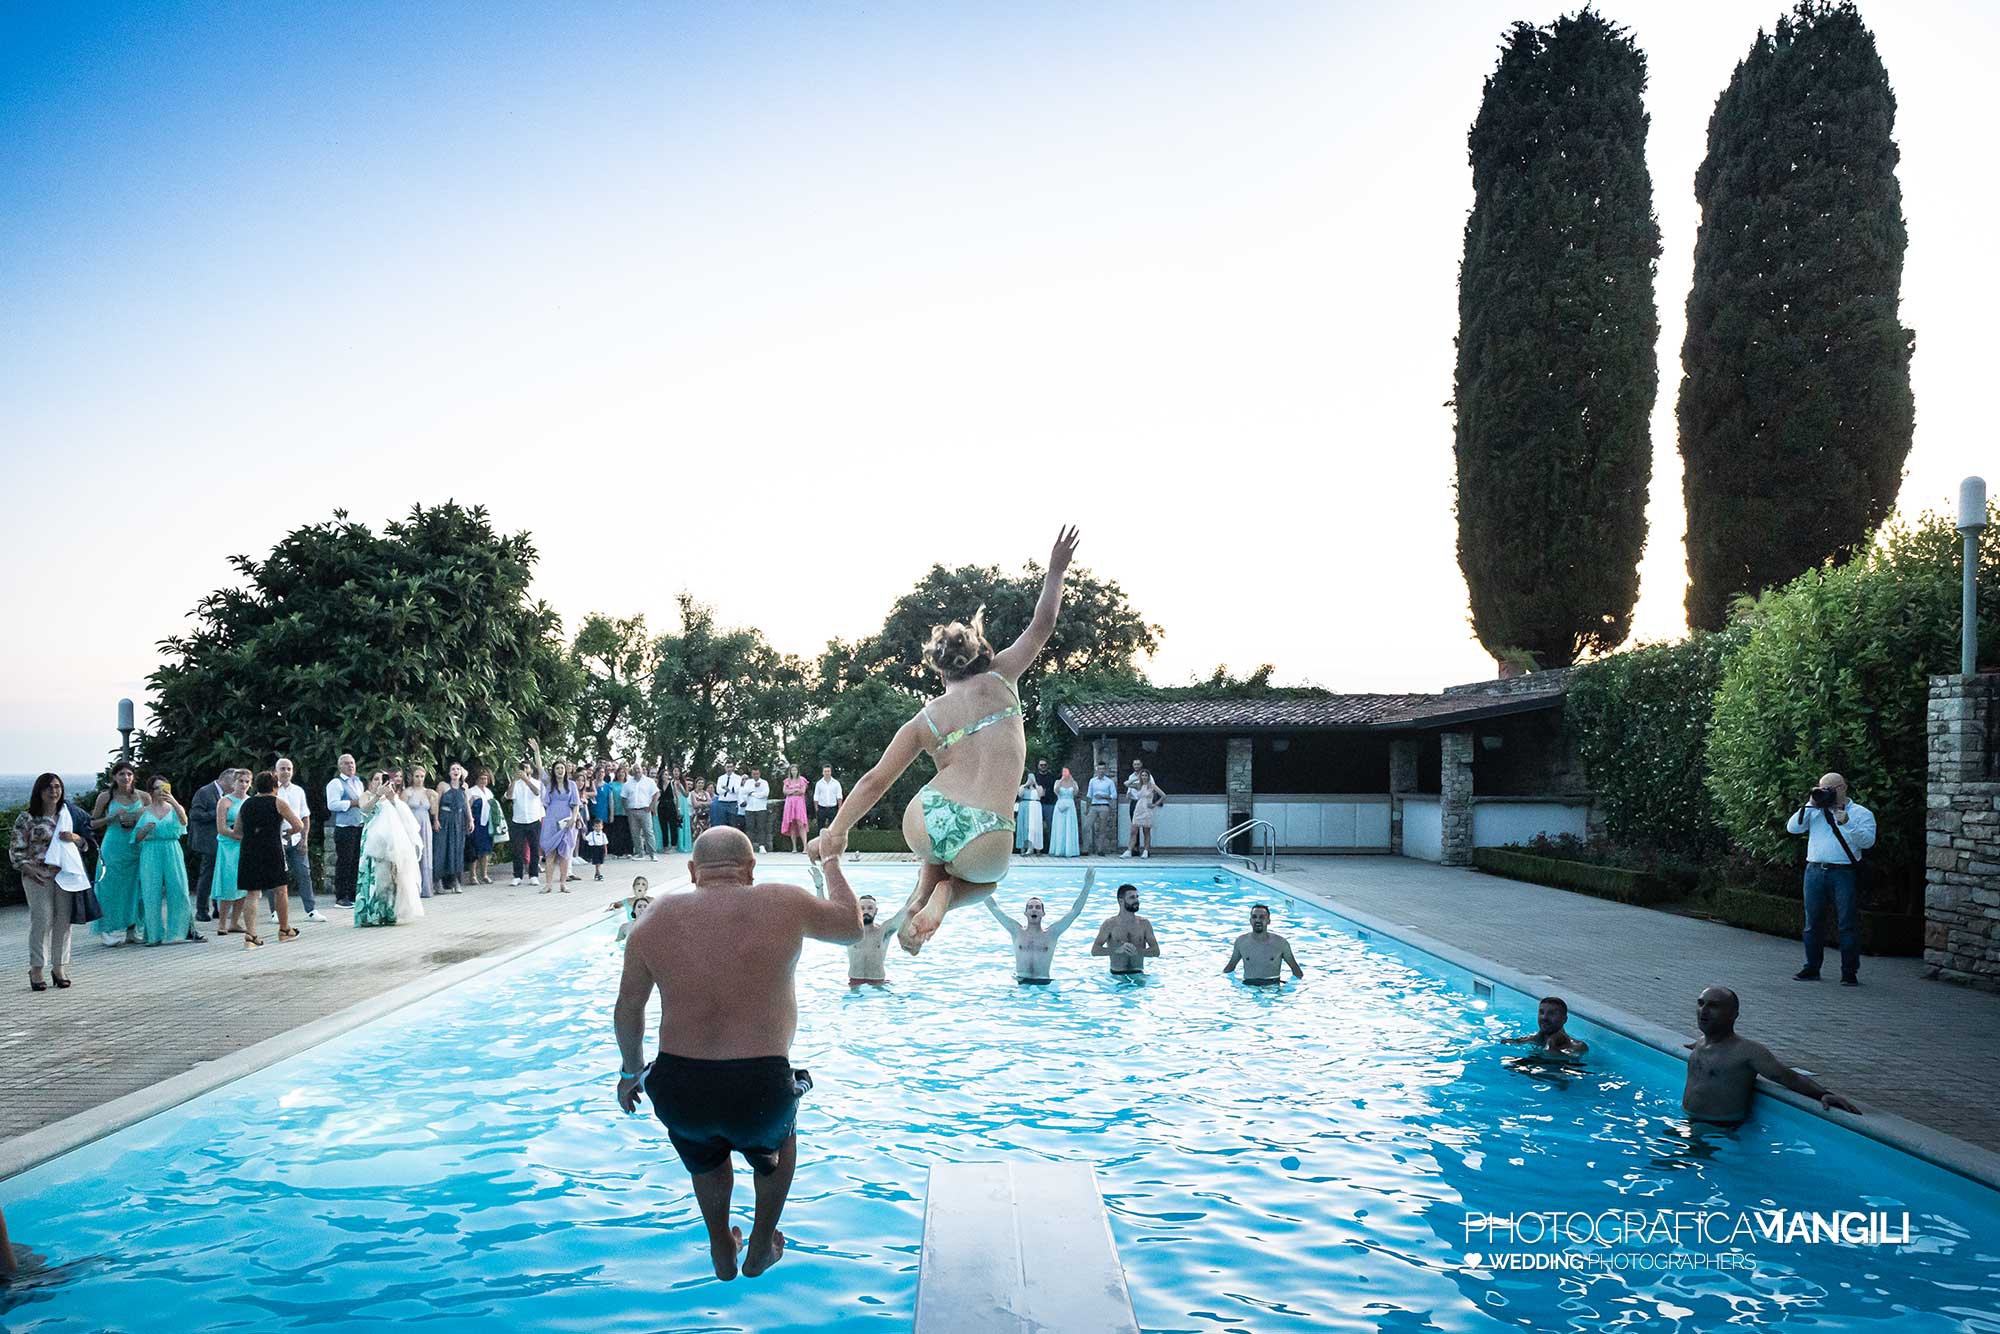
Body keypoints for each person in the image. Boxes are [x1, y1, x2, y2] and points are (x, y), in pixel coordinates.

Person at [811, 527, 1079, 956]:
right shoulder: (1003, 676)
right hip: (987, 834)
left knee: (934, 851)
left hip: (928, 817)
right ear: (982, 655)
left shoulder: (927, 718)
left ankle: (921, 895)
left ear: (941, 672)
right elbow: (1042, 624)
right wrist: (1056, 570)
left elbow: (873, 782)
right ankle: (945, 896)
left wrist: (837, 832)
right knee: (986, 879)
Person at [614, 828, 863, 1281]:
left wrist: (632, 1072)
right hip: (759, 1091)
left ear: (692, 872)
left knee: (703, 1151)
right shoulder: (782, 901)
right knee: (779, 1135)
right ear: (750, 870)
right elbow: (851, 926)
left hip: (679, 1087)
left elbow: (629, 1007)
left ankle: (719, 1245)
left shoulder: (653, 918)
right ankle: (762, 1241)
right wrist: (830, 860)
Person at [1682, 986, 1860, 1124]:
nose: (1703, 1010)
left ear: (1733, 1015)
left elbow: (1789, 1077)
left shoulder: (1747, 1051)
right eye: (1700, 1003)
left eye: (1713, 1006)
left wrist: (1823, 1094)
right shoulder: (1701, 1043)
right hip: (1688, 1122)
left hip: (1717, 1132)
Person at [1785, 772, 1877, 985]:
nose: (1825, 792)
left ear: (1842, 788)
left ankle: (1849, 972)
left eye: (1830, 789)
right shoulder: (1815, 811)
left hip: (1843, 872)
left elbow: (1868, 842)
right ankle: (1811, 968)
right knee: (1813, 923)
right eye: (1821, 788)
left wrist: (1847, 823)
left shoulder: (1862, 813)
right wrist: (1809, 803)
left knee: (1847, 924)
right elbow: (1793, 828)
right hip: (1815, 871)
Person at [11, 774, 83, 990]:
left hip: (65, 875)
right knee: (42, 920)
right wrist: (29, 868)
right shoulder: (27, 818)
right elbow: (16, 849)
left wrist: (76, 839)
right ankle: (37, 968)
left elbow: (86, 842)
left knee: (63, 922)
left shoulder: (68, 814)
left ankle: (59, 967)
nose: (54, 791)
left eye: (57, 786)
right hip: (37, 875)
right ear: (39, 791)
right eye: (49, 787)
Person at [983, 871, 1095, 983]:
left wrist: (1087, 886)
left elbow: (1074, 911)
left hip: (1044, 983)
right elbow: (994, 908)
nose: (1034, 909)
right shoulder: (1016, 931)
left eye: (1037, 907)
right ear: (1025, 913)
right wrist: (978, 883)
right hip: (1021, 982)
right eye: (1030, 907)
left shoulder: (1052, 933)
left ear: (1043, 913)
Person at [237, 770, 305, 947]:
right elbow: (299, 824)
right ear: (275, 787)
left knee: (252, 893)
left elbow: (237, 830)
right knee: (280, 890)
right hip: (272, 849)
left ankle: (250, 936)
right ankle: (284, 929)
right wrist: (287, 832)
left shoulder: (246, 804)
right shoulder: (278, 802)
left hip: (249, 849)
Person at [133, 778, 198, 945]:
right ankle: (153, 935)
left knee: (179, 889)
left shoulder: (174, 807)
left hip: (171, 848)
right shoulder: (143, 811)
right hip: (150, 850)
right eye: (156, 788)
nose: (160, 791)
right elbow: (136, 838)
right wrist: (145, 829)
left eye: (164, 787)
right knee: (150, 891)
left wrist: (174, 802)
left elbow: (184, 821)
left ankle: (179, 932)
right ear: (150, 791)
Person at [356, 772, 426, 927]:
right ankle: (370, 914)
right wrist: (377, 796)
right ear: (371, 782)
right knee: (372, 876)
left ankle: (388, 913)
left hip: (389, 845)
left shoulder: (391, 799)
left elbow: (404, 819)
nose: (380, 782)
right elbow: (364, 811)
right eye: (376, 779)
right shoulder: (366, 796)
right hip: (371, 843)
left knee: (389, 878)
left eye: (383, 780)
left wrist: (393, 799)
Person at [89, 760, 145, 947]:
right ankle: (109, 929)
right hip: (113, 847)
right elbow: (91, 823)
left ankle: (133, 929)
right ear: (114, 777)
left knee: (136, 889)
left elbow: (152, 817)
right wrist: (111, 817)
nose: (125, 777)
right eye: (121, 774)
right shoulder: (106, 797)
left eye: (129, 774)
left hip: (136, 846)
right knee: (109, 889)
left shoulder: (143, 796)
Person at [273, 757, 325, 922]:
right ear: (275, 771)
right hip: (277, 839)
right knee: (275, 876)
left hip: (296, 839)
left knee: (304, 874)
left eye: (289, 768)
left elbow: (305, 816)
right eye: (282, 768)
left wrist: (304, 839)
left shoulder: (298, 791)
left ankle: (311, 910)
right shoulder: (272, 790)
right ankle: (275, 911)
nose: (286, 772)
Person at [533, 741, 582, 894]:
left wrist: (573, 818)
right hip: (551, 821)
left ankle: (563, 883)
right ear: (554, 771)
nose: (560, 770)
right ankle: (548, 884)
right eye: (557, 768)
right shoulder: (549, 783)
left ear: (565, 770)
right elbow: (540, 769)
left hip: (566, 822)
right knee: (550, 853)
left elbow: (576, 804)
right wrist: (537, 751)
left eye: (562, 768)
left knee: (565, 854)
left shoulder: (572, 785)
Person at [211, 768, 254, 937]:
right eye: (240, 781)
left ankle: (235, 921)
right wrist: (237, 836)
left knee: (244, 884)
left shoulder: (250, 801)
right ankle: (222, 922)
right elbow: (221, 828)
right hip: (228, 846)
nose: (243, 784)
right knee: (228, 882)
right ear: (234, 782)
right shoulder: (224, 801)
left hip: (245, 847)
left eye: (247, 781)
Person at [189, 765, 231, 921]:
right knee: (207, 875)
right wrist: (219, 813)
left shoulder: (227, 795)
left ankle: (217, 908)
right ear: (224, 780)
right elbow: (195, 814)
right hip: (207, 840)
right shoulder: (205, 792)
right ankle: (201, 910)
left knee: (218, 874)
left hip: (222, 839)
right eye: (233, 782)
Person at [1223, 903, 1304, 984]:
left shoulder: (1281, 943)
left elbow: (1296, 970)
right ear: (1250, 921)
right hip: (1248, 986)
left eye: (1262, 917)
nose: (1258, 920)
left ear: (1268, 921)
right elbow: (1230, 967)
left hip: (1272, 987)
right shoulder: (1241, 942)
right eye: (1254, 917)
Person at [1090, 883, 1160, 976]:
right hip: (1116, 974)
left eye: (1137, 897)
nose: (1137, 900)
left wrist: (1138, 952)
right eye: (1132, 897)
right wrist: (1116, 950)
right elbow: (1095, 951)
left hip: (1138, 973)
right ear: (1121, 901)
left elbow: (1156, 951)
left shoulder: (1144, 924)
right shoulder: (1109, 924)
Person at [325, 754, 366, 908]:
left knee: (355, 861)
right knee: (344, 861)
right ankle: (341, 896)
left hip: (357, 826)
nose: (350, 766)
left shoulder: (358, 782)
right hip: (344, 827)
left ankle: (352, 893)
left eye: (352, 763)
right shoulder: (336, 783)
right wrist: (352, 803)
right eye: (347, 763)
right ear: (340, 766)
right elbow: (332, 804)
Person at [842, 894, 909, 986]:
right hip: (854, 980)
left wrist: (925, 885)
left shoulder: (883, 931)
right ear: (857, 910)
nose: (866, 911)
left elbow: (906, 910)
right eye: (862, 908)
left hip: (878, 981)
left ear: (876, 911)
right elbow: (825, 916)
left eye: (870, 908)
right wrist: (819, 887)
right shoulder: (850, 931)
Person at [1501, 996, 1588, 1058]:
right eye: (1541, 1012)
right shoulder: (1532, 1039)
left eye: (1551, 1013)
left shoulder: (1578, 1046)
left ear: (1564, 1019)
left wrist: (1551, 1044)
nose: (1544, 1017)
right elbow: (1504, 1043)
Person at [404, 763, 438, 899]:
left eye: (422, 776)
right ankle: (412, 887)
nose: (419, 779)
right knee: (412, 853)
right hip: (411, 825)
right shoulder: (407, 792)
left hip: (425, 824)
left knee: (426, 853)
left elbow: (433, 811)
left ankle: (426, 887)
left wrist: (433, 798)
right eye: (417, 776)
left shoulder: (428, 792)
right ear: (412, 777)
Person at [508, 759, 544, 886]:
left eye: (527, 767)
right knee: (517, 849)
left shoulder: (536, 783)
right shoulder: (515, 784)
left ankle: (533, 875)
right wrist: (513, 780)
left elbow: (537, 792)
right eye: (522, 768)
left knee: (534, 849)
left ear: (531, 770)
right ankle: (517, 875)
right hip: (518, 820)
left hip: (533, 819)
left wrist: (526, 780)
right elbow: (509, 796)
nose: (524, 770)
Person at [1125, 769, 1166, 859]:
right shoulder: (1138, 785)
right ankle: (1129, 850)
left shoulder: (1152, 786)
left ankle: (1146, 850)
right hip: (1138, 809)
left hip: (1147, 810)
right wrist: (1135, 779)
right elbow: (1126, 784)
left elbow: (1163, 795)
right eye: (1142, 775)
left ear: (1148, 777)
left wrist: (1155, 804)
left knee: (1146, 832)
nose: (1144, 777)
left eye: (1145, 775)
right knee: (1133, 831)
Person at [468, 767, 499, 885]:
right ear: (476, 779)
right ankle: (473, 875)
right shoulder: (472, 791)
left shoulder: (489, 792)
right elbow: (468, 807)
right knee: (474, 850)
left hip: (487, 824)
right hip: (475, 824)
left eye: (485, 778)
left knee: (486, 850)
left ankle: (484, 874)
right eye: (481, 778)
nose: (483, 780)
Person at [625, 763, 660, 861]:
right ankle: (640, 853)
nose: (637, 771)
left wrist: (651, 806)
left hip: (645, 810)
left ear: (642, 770)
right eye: (635, 769)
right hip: (632, 811)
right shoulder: (628, 783)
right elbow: (623, 797)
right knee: (635, 833)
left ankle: (653, 854)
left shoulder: (649, 781)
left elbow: (656, 793)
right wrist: (626, 808)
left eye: (638, 769)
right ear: (632, 771)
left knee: (648, 832)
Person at [1086, 763, 1118, 856]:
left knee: (1102, 829)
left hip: (1104, 805)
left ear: (1105, 770)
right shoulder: (1092, 781)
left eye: (1103, 769)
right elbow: (1089, 795)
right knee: (1086, 827)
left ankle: (1100, 849)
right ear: (1097, 770)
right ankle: (1086, 848)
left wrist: (1104, 796)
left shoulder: (1109, 782)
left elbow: (1114, 796)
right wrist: (1088, 808)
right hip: (1093, 806)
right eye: (1099, 769)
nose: (1101, 771)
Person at [1048, 768, 1081, 858]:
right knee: (1060, 827)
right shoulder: (1057, 782)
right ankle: (1058, 850)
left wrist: (1073, 781)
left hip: (1070, 805)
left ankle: (1070, 850)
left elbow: (1075, 792)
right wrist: (1061, 780)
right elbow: (1056, 791)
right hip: (1060, 805)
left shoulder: (1073, 782)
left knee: (1069, 826)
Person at [780, 764, 809, 853]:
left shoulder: (802, 780)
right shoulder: (787, 781)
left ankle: (805, 847)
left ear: (798, 771)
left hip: (799, 803)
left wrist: (791, 792)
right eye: (792, 770)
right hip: (790, 803)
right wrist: (794, 791)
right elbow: (785, 791)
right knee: (792, 824)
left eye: (795, 770)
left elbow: (802, 791)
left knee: (801, 823)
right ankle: (794, 847)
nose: (794, 772)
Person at [613, 877, 653, 942]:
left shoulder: (651, 900)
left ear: (646, 889)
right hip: (632, 929)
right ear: (634, 887)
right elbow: (615, 905)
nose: (640, 886)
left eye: (643, 884)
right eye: (638, 884)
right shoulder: (627, 901)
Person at [742, 766, 772, 853]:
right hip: (750, 808)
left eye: (757, 774)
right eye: (754, 774)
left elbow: (765, 794)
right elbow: (744, 792)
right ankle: (749, 846)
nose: (755, 775)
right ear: (751, 774)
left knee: (761, 827)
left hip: (761, 808)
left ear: (760, 774)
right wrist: (753, 790)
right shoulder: (748, 782)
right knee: (749, 828)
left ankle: (762, 846)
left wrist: (752, 793)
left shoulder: (764, 782)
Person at [1014, 773, 1043, 856]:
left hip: (1035, 807)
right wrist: (1027, 783)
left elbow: (1040, 794)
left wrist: (1035, 783)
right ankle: (1023, 849)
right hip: (1024, 806)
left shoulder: (1039, 787)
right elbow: (1020, 794)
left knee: (1034, 827)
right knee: (1024, 827)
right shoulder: (1023, 787)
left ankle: (1036, 849)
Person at [1034, 759, 1057, 854]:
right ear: (1038, 766)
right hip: (1037, 804)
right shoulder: (1035, 777)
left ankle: (1051, 849)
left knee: (1051, 827)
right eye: (1041, 765)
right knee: (1036, 827)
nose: (1043, 766)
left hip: (1049, 805)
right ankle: (1037, 849)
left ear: (1047, 766)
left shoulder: (1052, 777)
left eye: (1044, 765)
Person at [813, 765, 842, 838]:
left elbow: (839, 796)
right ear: (822, 772)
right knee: (820, 828)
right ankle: (820, 845)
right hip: (822, 808)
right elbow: (816, 796)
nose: (827, 773)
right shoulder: (819, 783)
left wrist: (840, 808)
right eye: (825, 771)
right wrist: (817, 809)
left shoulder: (836, 783)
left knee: (833, 829)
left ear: (831, 772)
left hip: (833, 808)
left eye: (828, 771)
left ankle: (832, 847)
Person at [714, 763, 743, 831]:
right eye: (727, 767)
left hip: (732, 803)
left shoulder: (738, 778)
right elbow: (718, 791)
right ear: (725, 768)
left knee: (732, 824)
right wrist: (729, 789)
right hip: (722, 802)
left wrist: (726, 788)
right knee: (722, 823)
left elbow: (736, 790)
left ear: (733, 768)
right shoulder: (721, 778)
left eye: (730, 767)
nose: (729, 769)